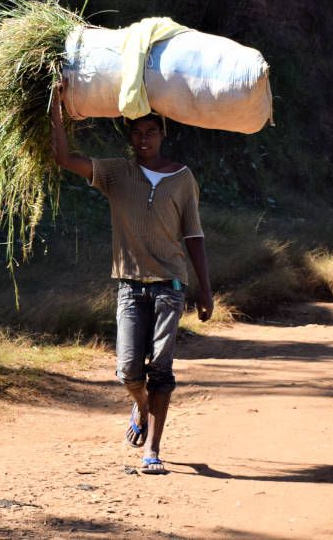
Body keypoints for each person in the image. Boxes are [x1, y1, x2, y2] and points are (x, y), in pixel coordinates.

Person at [49, 78, 213, 475]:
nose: (144, 140)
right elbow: (64, 157)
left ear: (162, 134)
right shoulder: (116, 174)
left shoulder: (182, 178)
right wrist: (56, 106)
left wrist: (205, 290)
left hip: (170, 288)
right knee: (128, 371)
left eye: (151, 133)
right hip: (129, 288)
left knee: (161, 369)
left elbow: (193, 234)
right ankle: (140, 405)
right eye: (137, 134)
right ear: (129, 138)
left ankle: (152, 451)